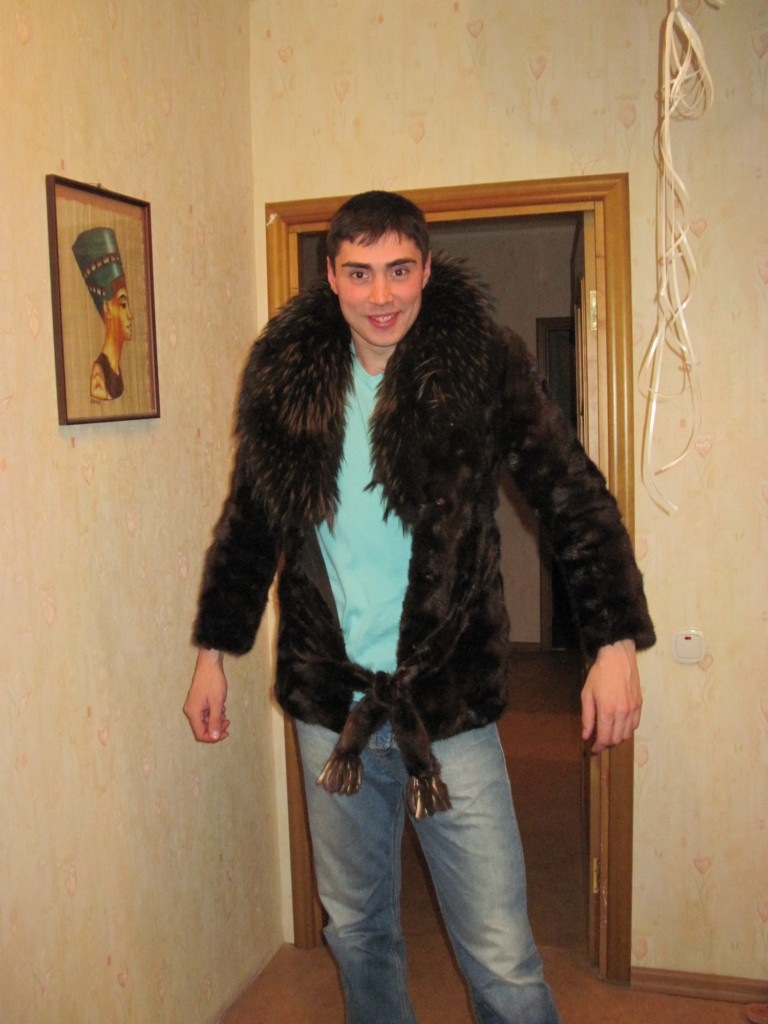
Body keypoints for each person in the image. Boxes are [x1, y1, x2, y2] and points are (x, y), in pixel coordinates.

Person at [183, 191, 655, 1024]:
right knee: (357, 928)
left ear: (427, 269)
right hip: (331, 707)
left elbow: (571, 496)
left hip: (449, 704)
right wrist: (212, 653)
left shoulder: (481, 361)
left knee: (501, 953)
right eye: (360, 272)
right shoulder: (289, 375)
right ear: (332, 276)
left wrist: (612, 641)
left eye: (399, 270)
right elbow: (250, 521)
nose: (382, 295)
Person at [72, 226, 134, 401]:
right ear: (107, 308)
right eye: (123, 305)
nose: (130, 314)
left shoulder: (116, 369)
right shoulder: (99, 377)